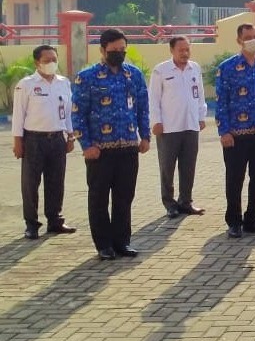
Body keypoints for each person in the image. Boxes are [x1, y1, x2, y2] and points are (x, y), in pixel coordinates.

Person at [73, 29, 151, 260]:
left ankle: (122, 242)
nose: (119, 53)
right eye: (114, 50)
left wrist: (145, 136)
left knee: (124, 198)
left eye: (122, 50)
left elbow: (142, 108)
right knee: (98, 199)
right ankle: (104, 244)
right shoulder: (87, 77)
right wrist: (86, 145)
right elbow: (78, 114)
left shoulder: (133, 75)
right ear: (102, 50)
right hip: (100, 150)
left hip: (128, 147)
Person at [215, 23, 255, 238]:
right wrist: (224, 131)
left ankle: (252, 219)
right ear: (239, 40)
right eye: (248, 37)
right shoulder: (227, 67)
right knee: (235, 179)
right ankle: (234, 222)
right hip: (236, 135)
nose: (253, 40)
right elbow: (221, 102)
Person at [12, 45, 75, 240]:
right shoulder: (26, 84)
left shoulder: (63, 83)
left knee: (56, 181)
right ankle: (31, 224)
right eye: (47, 60)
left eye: (54, 59)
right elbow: (18, 115)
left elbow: (68, 112)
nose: (51, 63)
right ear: (37, 63)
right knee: (30, 184)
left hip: (57, 139)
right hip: (34, 140)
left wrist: (70, 135)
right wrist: (18, 141)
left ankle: (55, 220)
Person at [149, 36, 208, 219]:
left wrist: (201, 116)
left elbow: (200, 95)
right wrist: (156, 121)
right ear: (171, 50)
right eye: (181, 50)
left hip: (190, 125)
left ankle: (186, 202)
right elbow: (153, 98)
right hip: (168, 127)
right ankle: (169, 204)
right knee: (167, 167)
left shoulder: (194, 68)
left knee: (188, 166)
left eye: (187, 49)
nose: (185, 53)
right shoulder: (161, 70)